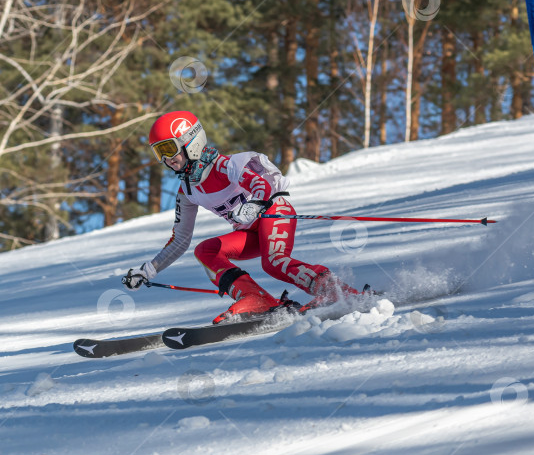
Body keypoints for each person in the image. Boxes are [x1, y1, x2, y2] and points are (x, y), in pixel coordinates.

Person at [122, 111, 363, 324]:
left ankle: (335, 291)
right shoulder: (188, 191)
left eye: (168, 149)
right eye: (158, 152)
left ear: (190, 142)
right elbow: (180, 240)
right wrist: (148, 271)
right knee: (205, 251)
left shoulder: (224, 166)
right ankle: (256, 298)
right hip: (249, 233)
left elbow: (261, 186)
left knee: (274, 262)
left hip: (274, 212)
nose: (166, 159)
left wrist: (255, 205)